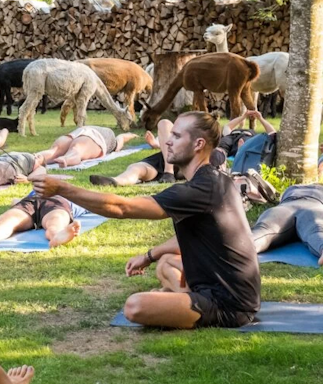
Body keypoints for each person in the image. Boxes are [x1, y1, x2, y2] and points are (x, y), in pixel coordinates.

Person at [30, 111, 261, 329]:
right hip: (224, 287)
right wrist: (148, 256)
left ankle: (180, 301)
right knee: (165, 263)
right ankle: (179, 299)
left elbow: (121, 208)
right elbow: (202, 237)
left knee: (135, 306)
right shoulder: (215, 180)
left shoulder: (199, 189)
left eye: (177, 136)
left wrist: (63, 189)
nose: (168, 141)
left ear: (198, 144)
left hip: (229, 305)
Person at [89, 111, 273, 188]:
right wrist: (243, 116)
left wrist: (260, 119)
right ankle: (116, 181)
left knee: (163, 123)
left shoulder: (250, 137)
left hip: (190, 161)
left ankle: (169, 171)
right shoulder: (227, 133)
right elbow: (227, 129)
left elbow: (272, 134)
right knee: (138, 169)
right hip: (171, 157)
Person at [0, 193, 81, 249]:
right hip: (30, 201)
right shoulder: (34, 191)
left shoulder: (73, 194)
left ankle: (57, 236)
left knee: (56, 220)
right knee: (9, 220)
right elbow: (15, 201)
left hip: (57, 202)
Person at [251, 183, 323, 266]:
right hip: (314, 206)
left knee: (264, 231)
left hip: (285, 206)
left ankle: (241, 248)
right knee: (317, 230)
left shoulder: (291, 188)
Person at [39, 126, 138, 168]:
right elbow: (121, 139)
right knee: (76, 150)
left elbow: (121, 138)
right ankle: (66, 159)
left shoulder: (112, 140)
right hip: (96, 136)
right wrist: (129, 135)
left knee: (54, 151)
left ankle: (32, 158)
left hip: (81, 131)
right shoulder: (113, 142)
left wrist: (127, 136)